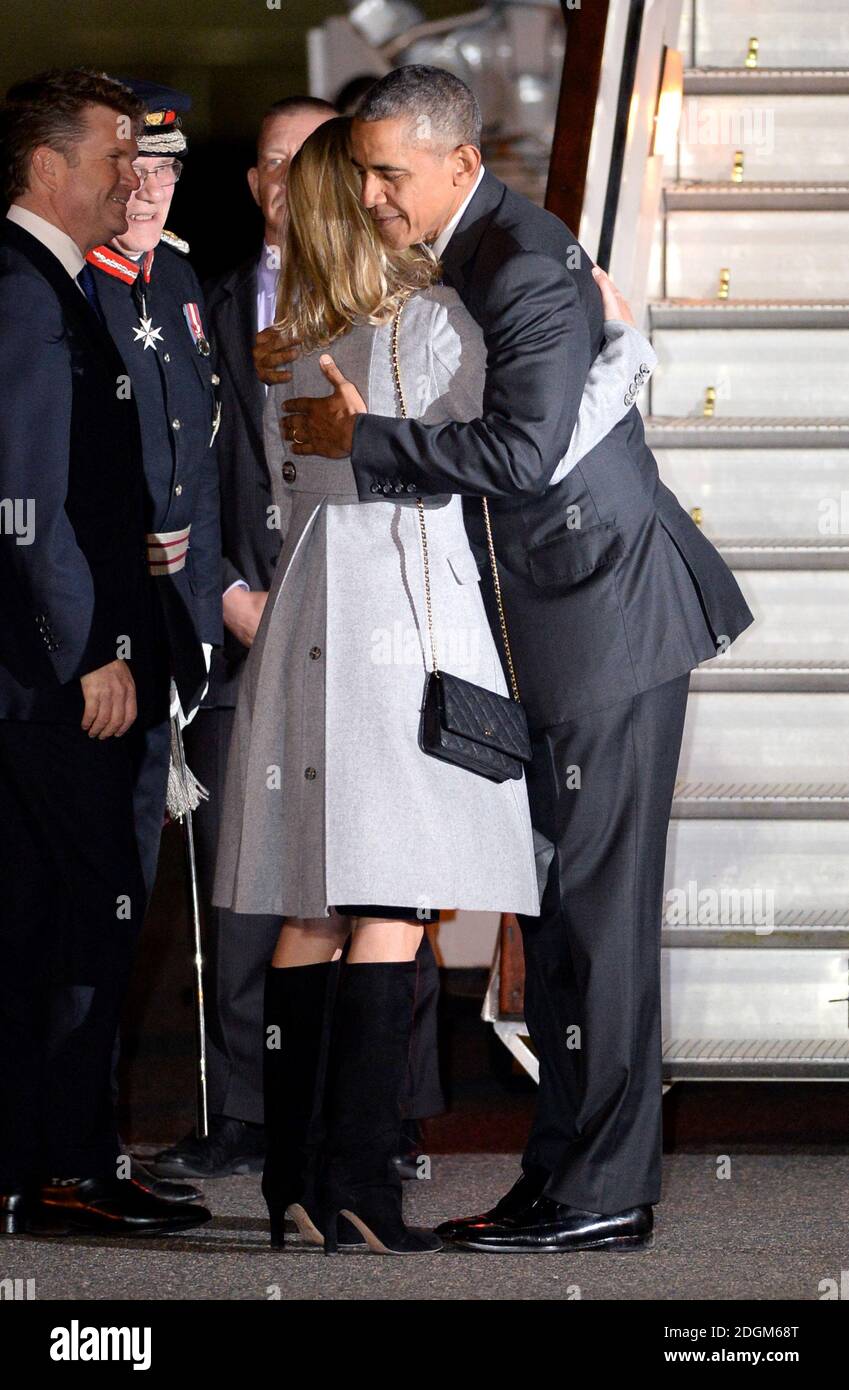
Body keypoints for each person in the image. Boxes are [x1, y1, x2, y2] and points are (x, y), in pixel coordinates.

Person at [259, 65, 755, 1254]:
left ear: (459, 163)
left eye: (391, 171)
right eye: (364, 171)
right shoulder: (464, 256)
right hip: (548, 619)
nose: (375, 194)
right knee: (568, 921)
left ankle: (605, 1192)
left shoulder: (517, 260)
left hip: (602, 618)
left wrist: (361, 436)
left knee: (600, 921)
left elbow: (523, 453)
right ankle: (564, 1176)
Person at [151, 95, 445, 1185]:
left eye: (314, 163)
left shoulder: (403, 307)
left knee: (380, 879)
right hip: (250, 631)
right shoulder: (208, 306)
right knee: (256, 892)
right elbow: (184, 471)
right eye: (275, 162)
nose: (291, 182)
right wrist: (227, 591)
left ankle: (382, 1125)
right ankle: (255, 1124)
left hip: (370, 643)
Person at [0, 67, 210, 1238]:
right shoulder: (27, 293)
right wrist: (87, 651)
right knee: (91, 911)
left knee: (44, 917)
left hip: (53, 676)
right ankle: (71, 1163)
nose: (131, 177)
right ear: (46, 168)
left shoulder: (56, 283)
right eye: (110, 154)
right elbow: (26, 500)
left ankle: (37, 1160)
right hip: (65, 681)